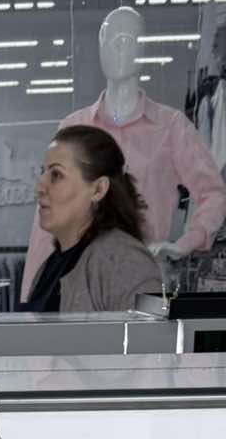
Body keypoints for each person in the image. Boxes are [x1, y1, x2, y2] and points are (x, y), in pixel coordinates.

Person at [21, 125, 162, 314]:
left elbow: (153, 332)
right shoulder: (49, 266)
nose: (39, 187)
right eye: (42, 173)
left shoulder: (123, 260)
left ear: (98, 189)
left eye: (56, 175)